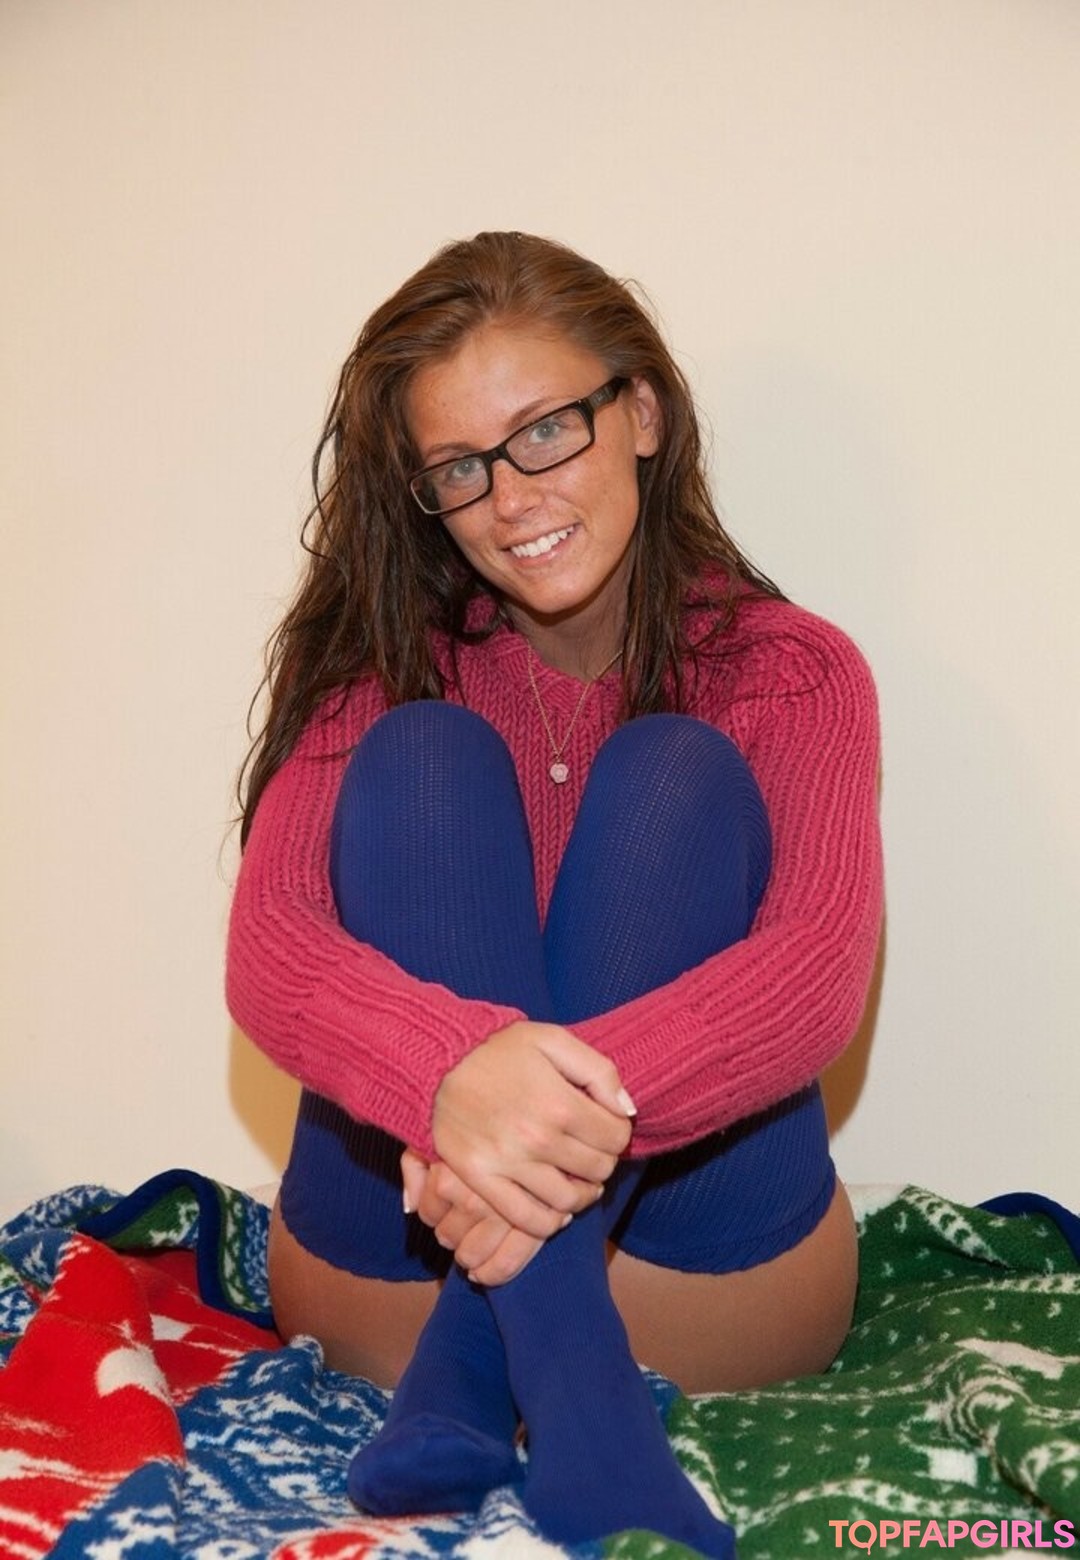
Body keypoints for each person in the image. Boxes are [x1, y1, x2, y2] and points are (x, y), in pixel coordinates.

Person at [226, 230, 883, 1557]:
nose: (511, 496)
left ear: (641, 414)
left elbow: (814, 975)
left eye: (544, 432)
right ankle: (582, 1402)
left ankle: (486, 1376)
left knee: (674, 776)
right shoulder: (377, 671)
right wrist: (448, 1075)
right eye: (460, 468)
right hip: (393, 1275)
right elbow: (273, 949)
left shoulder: (792, 672)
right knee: (423, 755)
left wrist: (517, 1123)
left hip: (697, 1279)